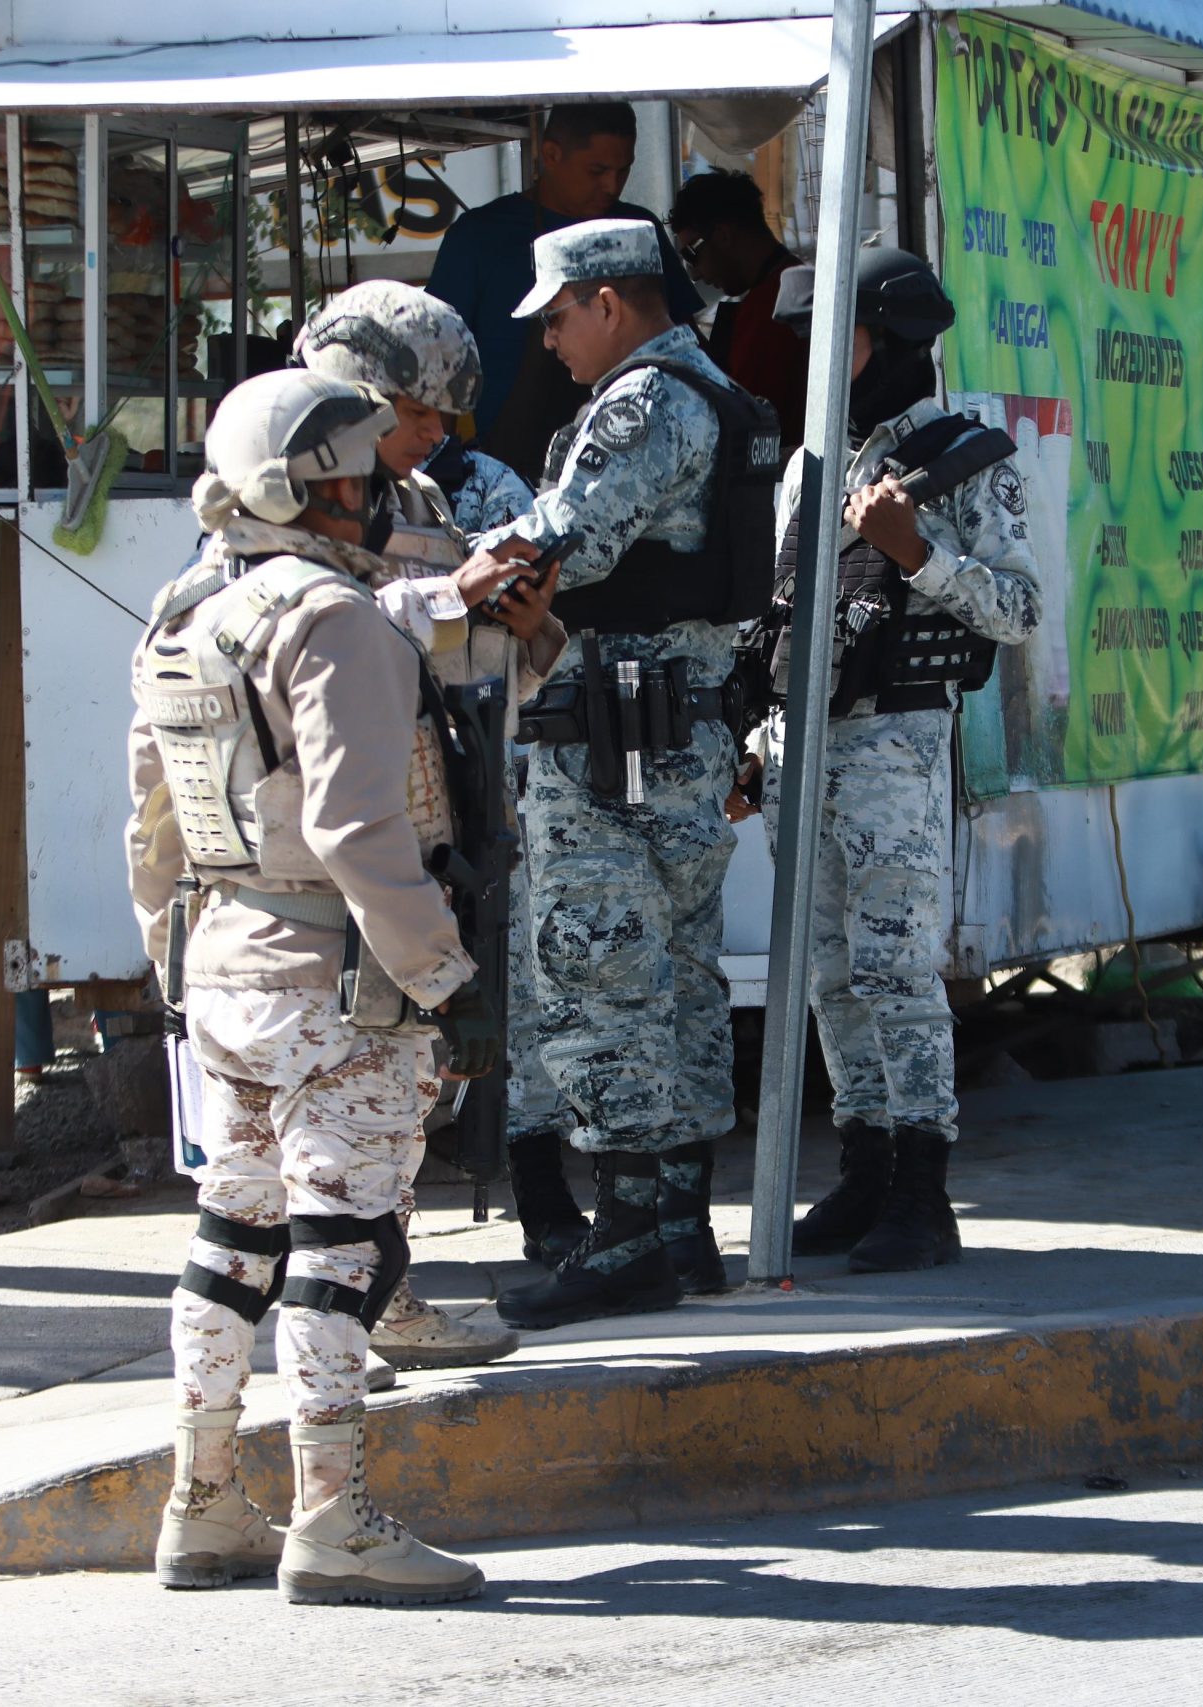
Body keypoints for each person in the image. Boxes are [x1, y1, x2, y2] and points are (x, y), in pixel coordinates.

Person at [125, 368, 499, 1606]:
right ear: (318, 486)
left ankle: (203, 1505)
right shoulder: (337, 620)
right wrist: (438, 971)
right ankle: (333, 1516)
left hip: (225, 971)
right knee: (345, 1247)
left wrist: (171, 959)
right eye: (364, 470)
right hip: (341, 981)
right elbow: (357, 827)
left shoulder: (185, 610)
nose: (382, 488)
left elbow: (152, 825)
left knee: (231, 1239)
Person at [467, 220, 780, 1331]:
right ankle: (676, 1227)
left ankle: (625, 1239)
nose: (548, 342)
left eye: (556, 317)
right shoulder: (718, 396)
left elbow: (561, 544)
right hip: (672, 730)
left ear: (611, 302)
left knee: (600, 977)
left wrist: (460, 571)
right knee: (676, 981)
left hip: (613, 746)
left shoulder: (645, 400)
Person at [738, 248, 1042, 1272]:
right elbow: (786, 610)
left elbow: (1018, 609)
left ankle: (922, 1191)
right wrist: (753, 733)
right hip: (800, 744)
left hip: (894, 747)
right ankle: (864, 1170)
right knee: (827, 973)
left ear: (893, 340)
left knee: (894, 969)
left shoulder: (965, 456)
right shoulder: (810, 462)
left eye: (839, 338)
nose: (818, 362)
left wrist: (919, 553)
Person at [290, 280, 572, 1364]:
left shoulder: (421, 510)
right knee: (315, 1113)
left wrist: (523, 628)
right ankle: (325, 1328)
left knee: (402, 1093)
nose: (432, 438)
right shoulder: (275, 505)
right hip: (319, 849)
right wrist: (443, 599)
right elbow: (307, 643)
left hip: (417, 836)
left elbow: (454, 664)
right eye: (414, 414)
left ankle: (385, 1295)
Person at [425, 102, 702, 485]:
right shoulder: (478, 238)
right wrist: (442, 470)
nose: (612, 185)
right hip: (506, 470)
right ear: (551, 154)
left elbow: (684, 345)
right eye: (597, 170)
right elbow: (436, 368)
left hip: (631, 463)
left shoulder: (637, 231)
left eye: (624, 171)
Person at [668, 169, 808, 449]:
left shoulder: (773, 306)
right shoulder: (788, 287)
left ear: (722, 235)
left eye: (692, 254)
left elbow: (744, 416)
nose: (694, 274)